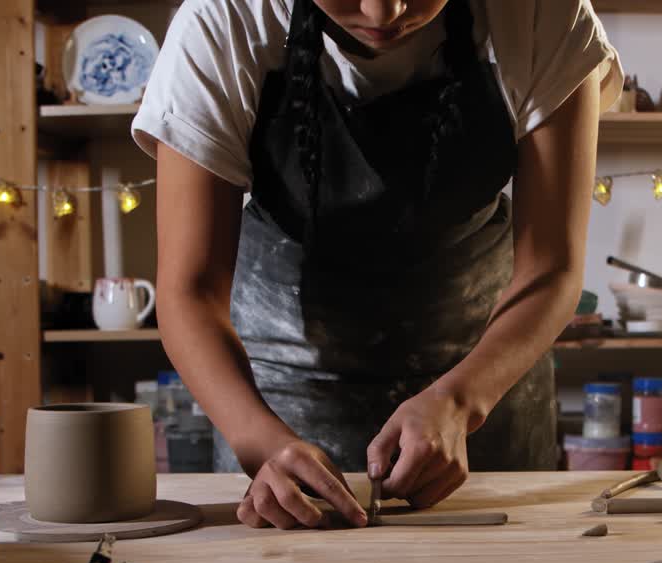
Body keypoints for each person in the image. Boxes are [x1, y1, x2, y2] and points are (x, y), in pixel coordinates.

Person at [133, 0, 623, 529]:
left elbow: (552, 269)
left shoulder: (538, 13)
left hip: (485, 372)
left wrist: (461, 401)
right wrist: (260, 441)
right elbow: (190, 291)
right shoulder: (223, 20)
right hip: (280, 390)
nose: (383, 11)